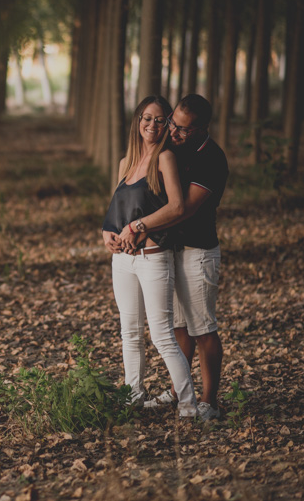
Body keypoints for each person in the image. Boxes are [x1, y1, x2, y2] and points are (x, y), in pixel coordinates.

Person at [118, 94, 228, 421]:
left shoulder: (212, 159)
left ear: (201, 128)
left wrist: (139, 226)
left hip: (198, 251)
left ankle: (209, 401)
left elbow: (183, 209)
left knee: (202, 328)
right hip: (171, 250)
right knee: (178, 327)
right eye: (172, 124)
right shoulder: (174, 148)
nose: (174, 132)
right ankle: (178, 389)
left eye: (182, 129)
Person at [101, 95, 198, 418]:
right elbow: (116, 212)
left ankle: (188, 403)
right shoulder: (125, 162)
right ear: (137, 120)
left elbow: (177, 207)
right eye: (146, 118)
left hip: (154, 257)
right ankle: (133, 395)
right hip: (124, 261)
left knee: (161, 335)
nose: (152, 125)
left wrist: (138, 225)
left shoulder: (165, 158)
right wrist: (108, 233)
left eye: (159, 120)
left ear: (167, 123)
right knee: (129, 331)